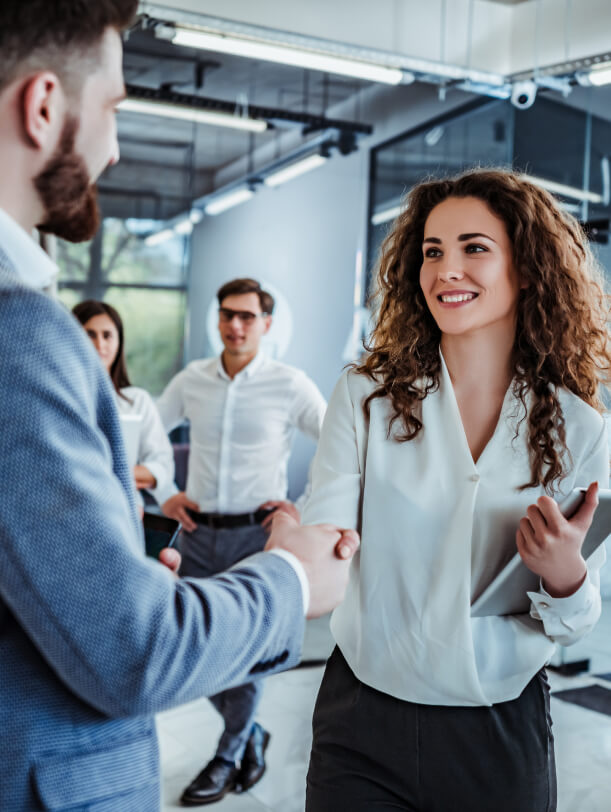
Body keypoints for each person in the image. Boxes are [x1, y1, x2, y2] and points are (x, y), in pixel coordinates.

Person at [0, 3, 359, 811]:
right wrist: (296, 576)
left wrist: (108, 548)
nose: (115, 145)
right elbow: (137, 653)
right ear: (45, 105)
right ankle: (244, 743)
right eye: (116, 107)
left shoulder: (290, 383)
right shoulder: (20, 336)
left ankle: (239, 746)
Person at [302, 168, 611, 812]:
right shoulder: (365, 397)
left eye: (474, 248)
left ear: (526, 268)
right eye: (433, 251)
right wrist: (294, 562)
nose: (447, 269)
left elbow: (579, 620)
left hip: (497, 726)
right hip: (362, 715)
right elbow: (324, 542)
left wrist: (564, 575)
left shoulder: (578, 424)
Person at [157, 276, 328, 804]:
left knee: (246, 655)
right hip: (196, 536)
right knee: (193, 649)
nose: (235, 325)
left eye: (247, 317)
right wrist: (165, 491)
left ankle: (228, 755)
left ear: (266, 324)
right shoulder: (192, 380)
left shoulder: (289, 383)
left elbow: (339, 446)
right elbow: (145, 436)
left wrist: (304, 507)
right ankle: (251, 733)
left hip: (253, 538)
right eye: (227, 314)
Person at [73, 299, 175, 507]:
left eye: (107, 335)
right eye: (89, 334)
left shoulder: (138, 401)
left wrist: (112, 473)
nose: (99, 345)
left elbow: (162, 466)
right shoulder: (58, 400)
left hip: (124, 513)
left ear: (119, 342)